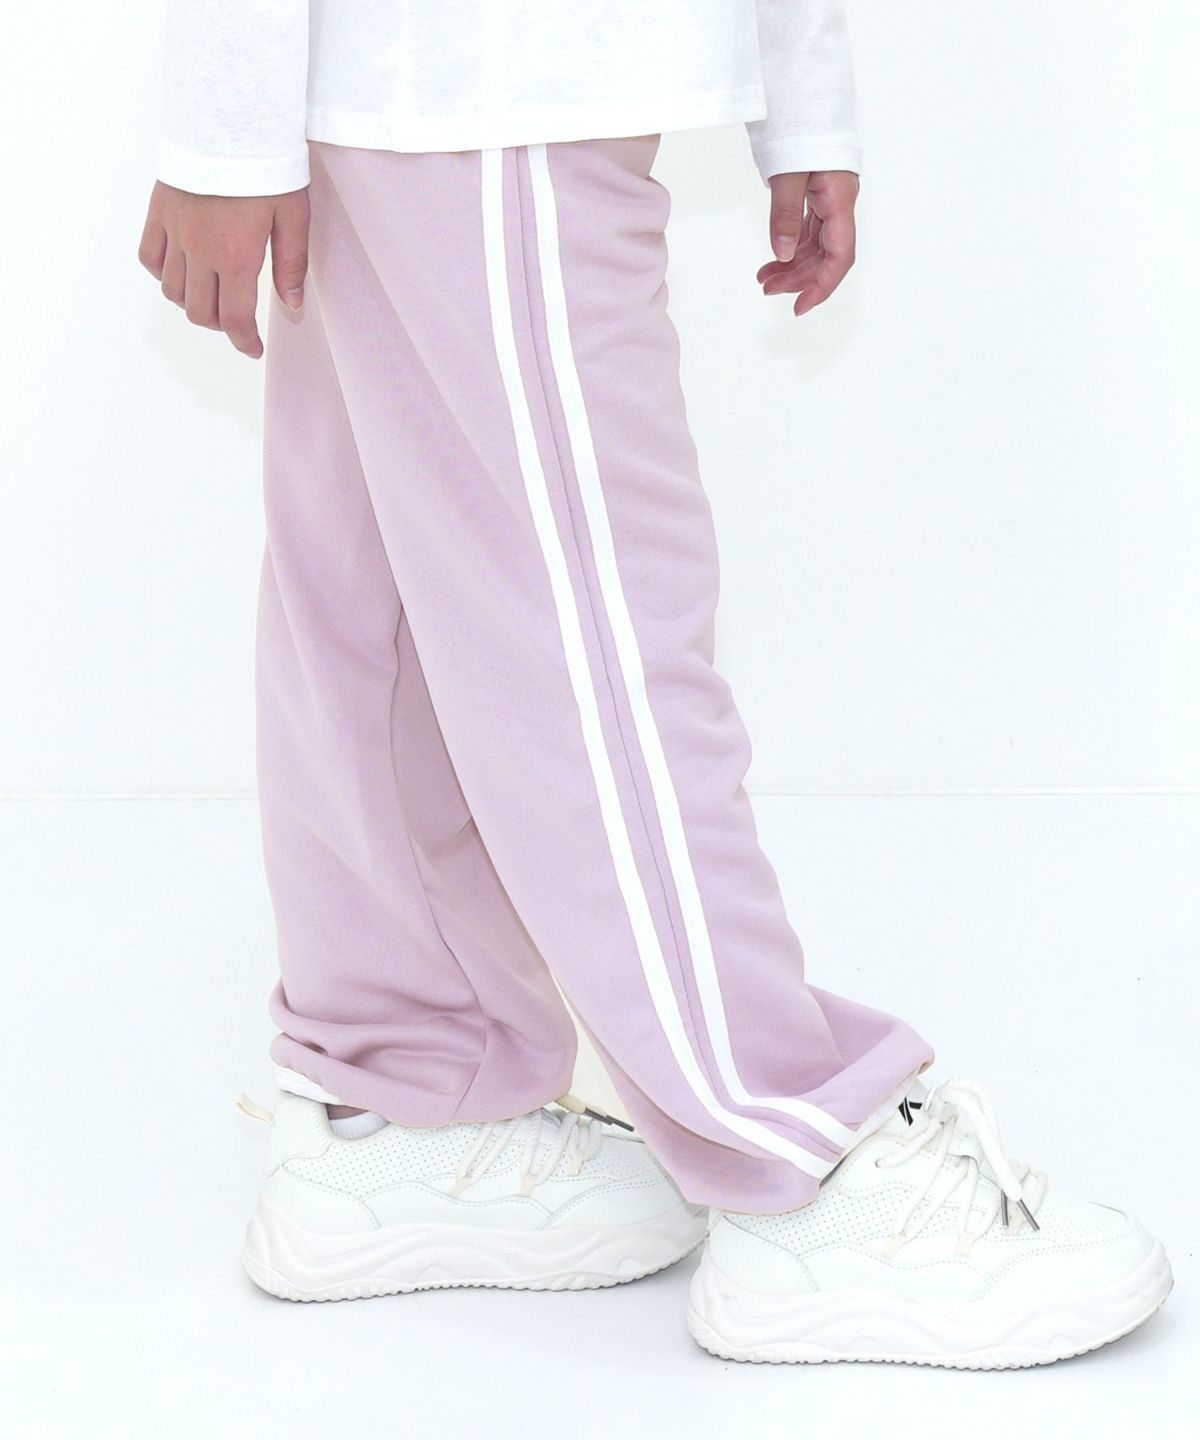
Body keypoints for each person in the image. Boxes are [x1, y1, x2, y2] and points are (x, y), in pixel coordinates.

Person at [140, 1, 1171, 1364]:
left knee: (378, 597)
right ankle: (790, 1156)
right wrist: (221, 124)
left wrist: (799, 89)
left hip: (472, 79)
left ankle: (411, 1097)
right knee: (595, 630)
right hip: (491, 69)